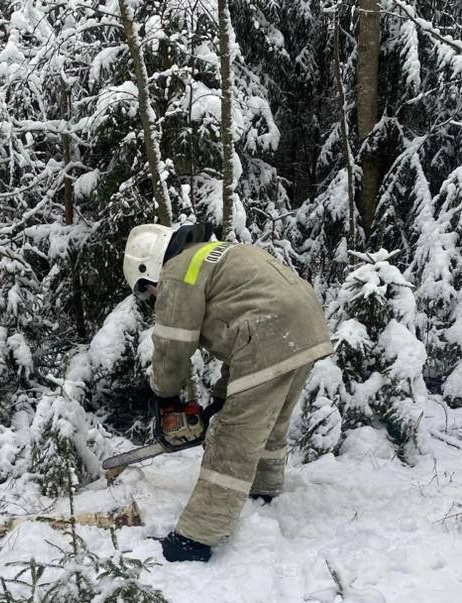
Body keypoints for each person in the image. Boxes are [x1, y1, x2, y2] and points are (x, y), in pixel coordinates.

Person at [122, 222, 333, 562]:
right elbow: (241, 336)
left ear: (149, 269)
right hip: (306, 327)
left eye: (148, 291)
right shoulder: (215, 254)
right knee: (270, 421)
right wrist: (219, 400)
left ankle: (196, 538)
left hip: (268, 331)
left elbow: (173, 343)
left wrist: (165, 399)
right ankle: (262, 490)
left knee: (232, 438)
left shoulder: (178, 271)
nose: (154, 298)